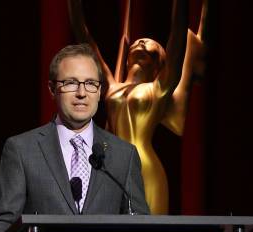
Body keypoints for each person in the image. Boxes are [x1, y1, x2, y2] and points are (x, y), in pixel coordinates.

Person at [0, 43, 149, 232]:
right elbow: (4, 218)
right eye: (71, 83)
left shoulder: (124, 155)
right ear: (52, 88)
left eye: (91, 84)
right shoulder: (22, 149)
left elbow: (140, 224)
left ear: (100, 91)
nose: (82, 93)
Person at [68, 0, 207, 214]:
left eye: (150, 44)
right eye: (139, 41)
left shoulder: (159, 89)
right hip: (111, 167)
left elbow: (178, 34)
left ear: (161, 62)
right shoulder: (112, 86)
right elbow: (83, 36)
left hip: (145, 166)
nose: (142, 42)